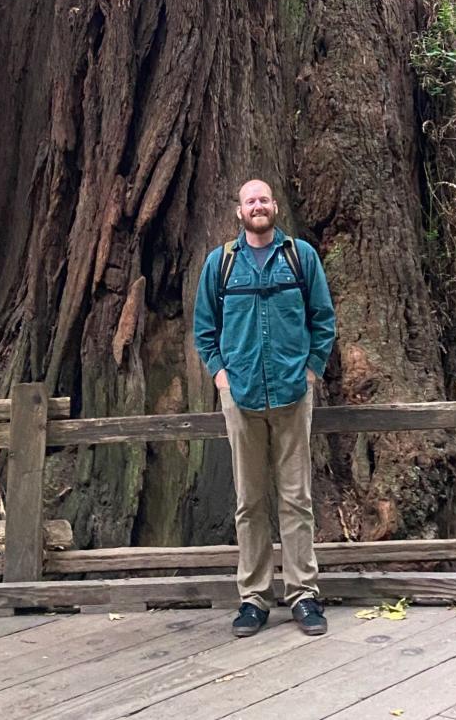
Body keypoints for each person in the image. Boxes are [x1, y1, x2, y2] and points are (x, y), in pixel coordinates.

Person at [193, 179, 337, 637]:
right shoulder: (222, 264)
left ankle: (303, 595)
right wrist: (220, 375)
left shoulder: (300, 257)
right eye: (249, 201)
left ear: (275, 207)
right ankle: (254, 598)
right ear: (239, 211)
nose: (257, 206)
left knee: (297, 499)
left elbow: (323, 318)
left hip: (294, 392)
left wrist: (312, 368)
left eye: (263, 199)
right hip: (242, 395)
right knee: (249, 501)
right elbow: (204, 327)